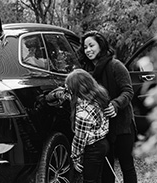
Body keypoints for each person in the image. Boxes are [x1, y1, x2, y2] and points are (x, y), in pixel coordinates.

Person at [79, 30, 137, 183]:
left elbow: (128, 91)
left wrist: (115, 104)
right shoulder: (87, 72)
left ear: (101, 45)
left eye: (91, 45)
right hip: (100, 130)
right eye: (85, 47)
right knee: (106, 169)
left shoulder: (115, 65)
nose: (88, 50)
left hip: (122, 127)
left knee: (127, 166)